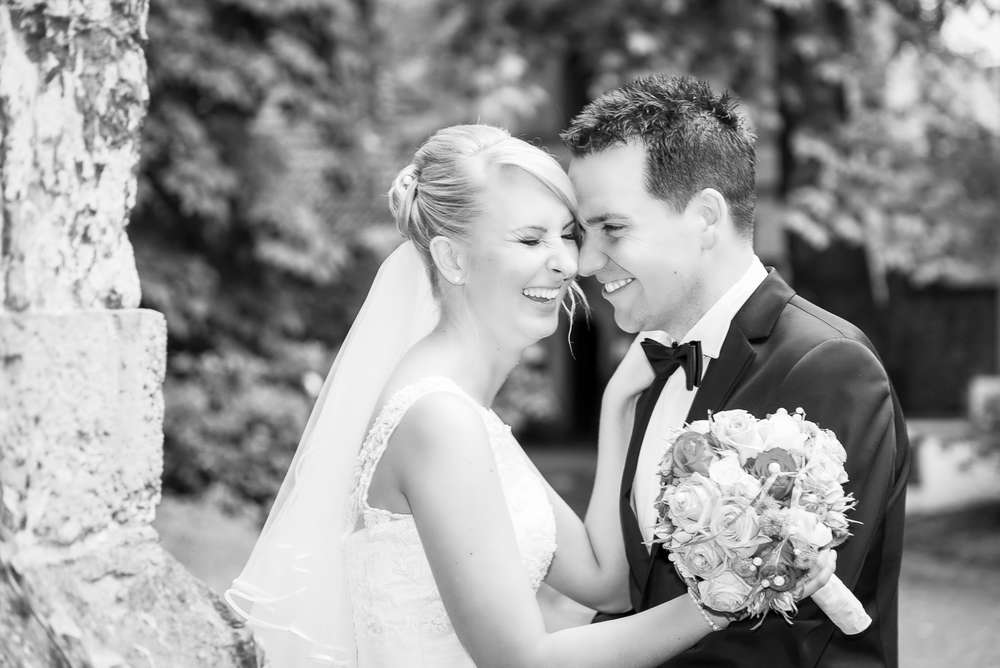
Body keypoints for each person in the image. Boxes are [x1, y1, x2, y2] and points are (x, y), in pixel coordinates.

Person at [225, 124, 837, 667]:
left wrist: (613, 411)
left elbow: (606, 581)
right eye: (529, 240)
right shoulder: (439, 420)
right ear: (452, 258)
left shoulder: (461, 410)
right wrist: (724, 598)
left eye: (565, 235)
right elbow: (521, 657)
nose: (567, 262)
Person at [562, 74, 911, 667]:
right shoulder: (650, 371)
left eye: (612, 228)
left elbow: (784, 632)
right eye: (582, 233)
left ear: (705, 218)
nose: (587, 261)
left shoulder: (829, 365)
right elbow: (641, 592)